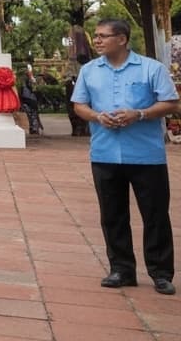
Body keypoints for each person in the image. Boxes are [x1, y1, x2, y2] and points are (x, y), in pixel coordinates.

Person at [71, 18, 178, 295]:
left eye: (103, 36)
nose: (96, 41)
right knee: (112, 215)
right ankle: (121, 269)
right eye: (96, 36)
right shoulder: (89, 71)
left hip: (146, 155)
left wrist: (139, 114)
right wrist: (97, 116)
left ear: (122, 39)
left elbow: (171, 103)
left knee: (155, 214)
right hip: (105, 153)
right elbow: (79, 105)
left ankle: (161, 272)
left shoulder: (151, 68)